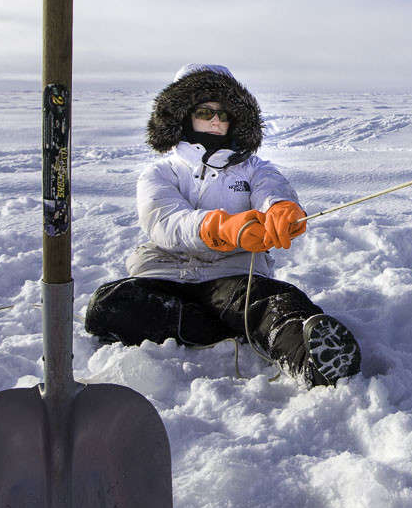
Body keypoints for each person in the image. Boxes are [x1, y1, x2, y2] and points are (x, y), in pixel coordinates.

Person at [85, 63, 361, 386]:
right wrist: (219, 228)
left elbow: (273, 189)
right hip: (166, 275)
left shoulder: (253, 168)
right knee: (107, 304)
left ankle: (313, 358)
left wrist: (281, 210)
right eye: (205, 110)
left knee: (275, 302)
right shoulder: (160, 173)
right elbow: (164, 220)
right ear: (184, 114)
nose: (216, 120)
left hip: (232, 277)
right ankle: (231, 326)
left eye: (224, 113)